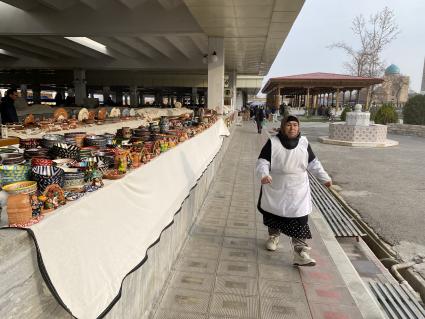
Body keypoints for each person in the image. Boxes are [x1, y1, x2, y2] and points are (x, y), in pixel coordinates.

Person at [256, 115, 332, 266]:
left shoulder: (304, 143)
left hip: (298, 188)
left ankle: (301, 251)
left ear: (299, 128)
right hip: (276, 184)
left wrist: (324, 178)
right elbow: (262, 161)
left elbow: (313, 163)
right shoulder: (273, 142)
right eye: (289, 125)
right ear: (283, 126)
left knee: (299, 218)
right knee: (274, 213)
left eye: (295, 125)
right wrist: (264, 174)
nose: (292, 128)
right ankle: (273, 237)